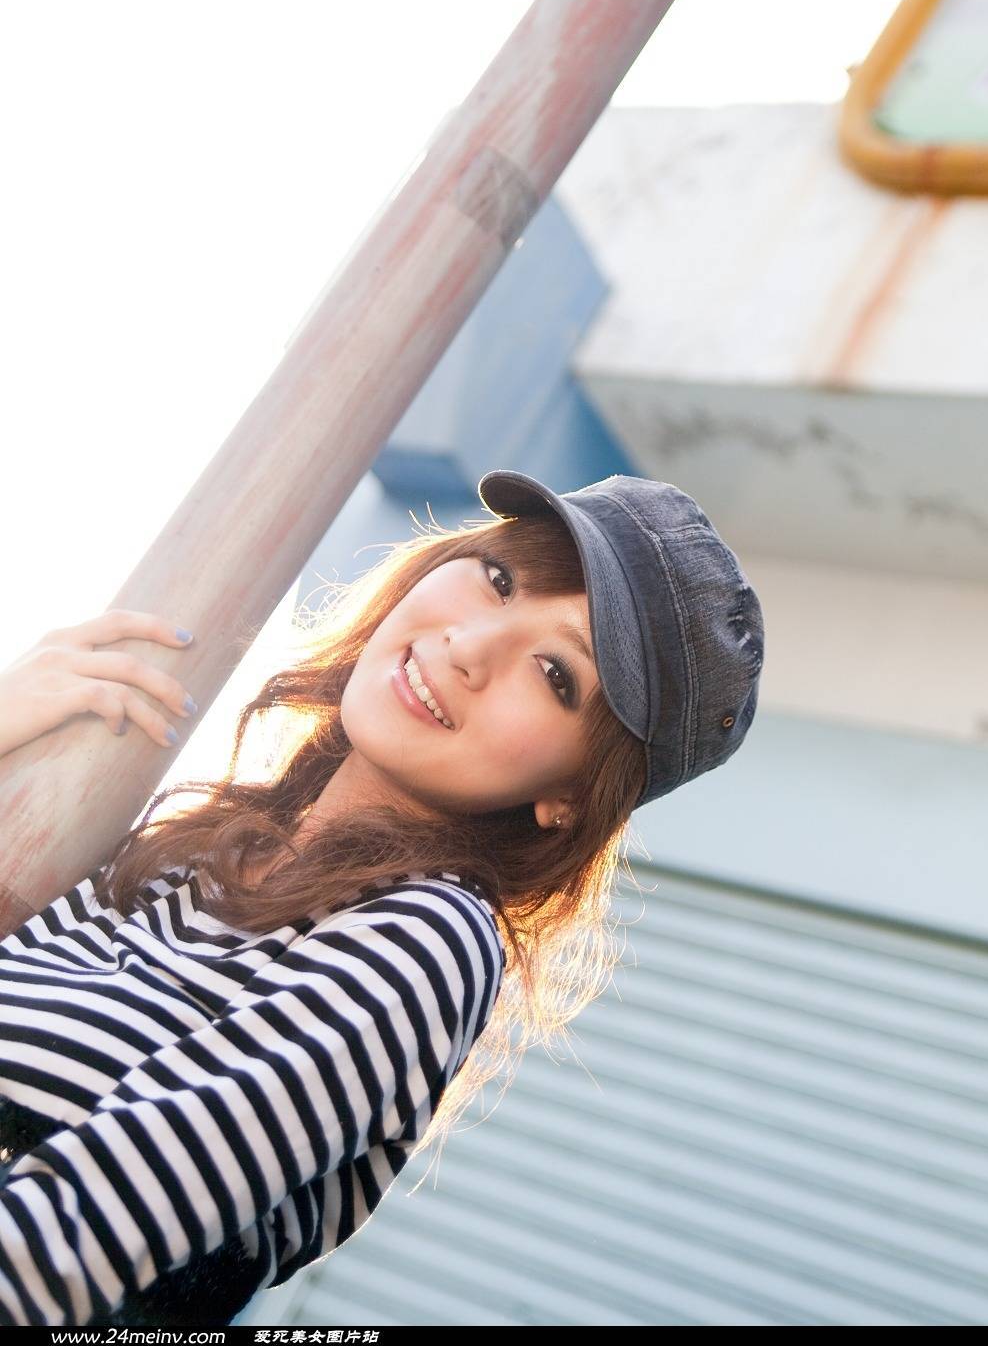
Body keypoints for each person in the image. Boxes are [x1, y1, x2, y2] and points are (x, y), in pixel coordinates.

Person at [0, 470, 764, 1326]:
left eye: (556, 673)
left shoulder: (427, 935)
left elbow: (61, 1248)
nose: (471, 645)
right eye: (500, 577)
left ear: (572, 799)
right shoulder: (198, 848)